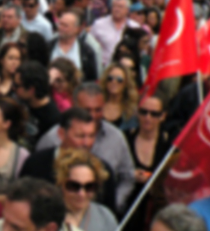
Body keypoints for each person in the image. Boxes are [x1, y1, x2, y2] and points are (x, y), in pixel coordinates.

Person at [37, 82, 136, 213]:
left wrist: (112, 204)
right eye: (87, 110)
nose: (93, 116)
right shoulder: (51, 139)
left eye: (98, 110)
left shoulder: (117, 138)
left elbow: (127, 177)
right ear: (74, 106)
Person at [20, 108, 117, 212]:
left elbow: (108, 212)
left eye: (91, 136)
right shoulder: (35, 163)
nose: (86, 143)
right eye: (80, 136)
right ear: (61, 134)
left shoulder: (103, 171)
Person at [123, 94, 171, 231]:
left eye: (154, 114)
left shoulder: (169, 145)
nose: (148, 118)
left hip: (155, 213)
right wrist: (131, 174)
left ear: (163, 116)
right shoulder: (125, 138)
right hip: (128, 210)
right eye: (143, 112)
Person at [55, 148, 122, 231]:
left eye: (89, 187)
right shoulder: (47, 215)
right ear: (62, 184)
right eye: (74, 186)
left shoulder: (105, 217)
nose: (81, 194)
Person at [14, 61, 61, 146]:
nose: (13, 88)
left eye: (17, 86)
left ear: (31, 90)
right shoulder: (19, 101)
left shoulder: (53, 119)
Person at [49, 10, 98, 81]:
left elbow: (91, 80)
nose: (61, 28)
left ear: (76, 29)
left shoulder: (87, 52)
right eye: (60, 24)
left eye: (65, 26)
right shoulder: (48, 47)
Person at [90, 0, 131, 66]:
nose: (117, 9)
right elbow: (90, 45)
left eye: (120, 7)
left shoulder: (133, 27)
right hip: (103, 66)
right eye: (114, 6)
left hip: (125, 67)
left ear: (127, 10)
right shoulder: (99, 24)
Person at [100, 61, 139, 131]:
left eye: (119, 79)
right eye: (110, 78)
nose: (114, 82)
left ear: (126, 83)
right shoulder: (97, 105)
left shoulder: (132, 111)